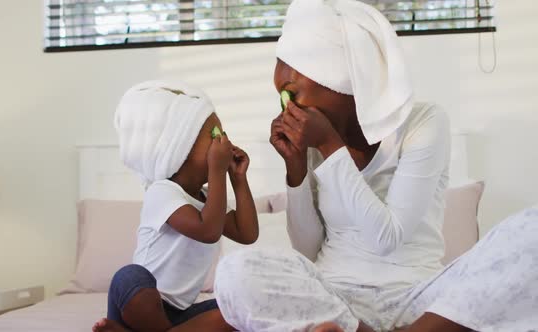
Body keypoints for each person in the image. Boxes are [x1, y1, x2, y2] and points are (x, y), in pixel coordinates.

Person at [213, 0, 538, 331]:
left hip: (419, 298)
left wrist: (330, 146)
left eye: (292, 92)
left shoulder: (424, 122)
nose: (288, 105)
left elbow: (388, 237)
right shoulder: (314, 140)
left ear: (343, 80)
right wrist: (296, 169)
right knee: (235, 272)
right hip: (334, 298)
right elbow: (307, 250)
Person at [93, 81, 258, 332]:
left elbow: (247, 234)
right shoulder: (162, 192)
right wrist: (218, 169)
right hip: (138, 303)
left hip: (177, 316)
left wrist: (238, 178)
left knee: (239, 308)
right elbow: (208, 231)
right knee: (130, 276)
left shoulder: (207, 199)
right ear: (178, 148)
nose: (222, 143)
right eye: (214, 136)